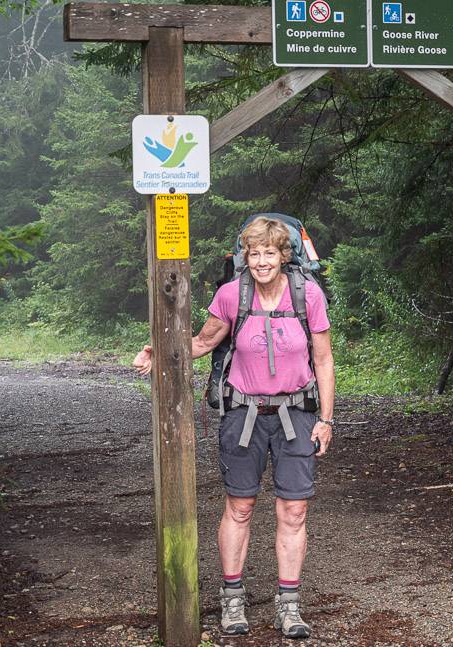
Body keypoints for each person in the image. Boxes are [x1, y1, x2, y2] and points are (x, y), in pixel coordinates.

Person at [133, 216, 334, 639]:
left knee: (293, 510)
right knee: (240, 507)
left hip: (296, 414)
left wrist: (326, 419)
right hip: (243, 414)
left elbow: (324, 360)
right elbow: (203, 342)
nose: (262, 261)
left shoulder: (308, 295)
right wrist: (160, 347)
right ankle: (232, 598)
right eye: (254, 253)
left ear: (284, 256)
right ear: (245, 257)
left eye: (270, 253)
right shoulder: (231, 294)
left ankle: (289, 606)